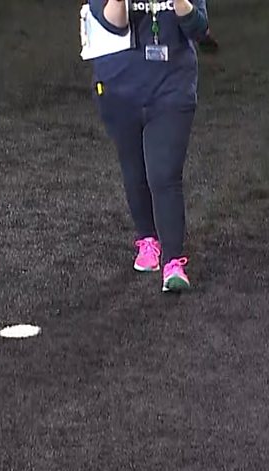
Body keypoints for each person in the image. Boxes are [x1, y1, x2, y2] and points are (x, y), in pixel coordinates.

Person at [87, 0, 209, 293]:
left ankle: (173, 262)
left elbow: (198, 28)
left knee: (164, 175)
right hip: (118, 89)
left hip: (172, 89)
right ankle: (147, 239)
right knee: (133, 170)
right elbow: (112, 24)